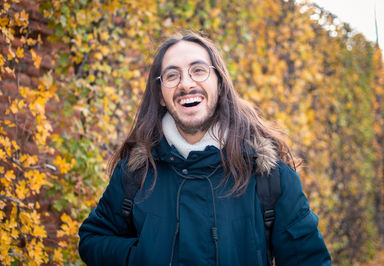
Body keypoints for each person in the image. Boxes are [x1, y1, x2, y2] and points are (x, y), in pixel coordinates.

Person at [78, 31, 331, 266]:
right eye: (172, 75)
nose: (186, 84)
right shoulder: (136, 172)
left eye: (198, 70)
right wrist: (142, 256)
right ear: (159, 94)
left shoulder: (269, 175)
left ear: (220, 85)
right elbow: (93, 240)